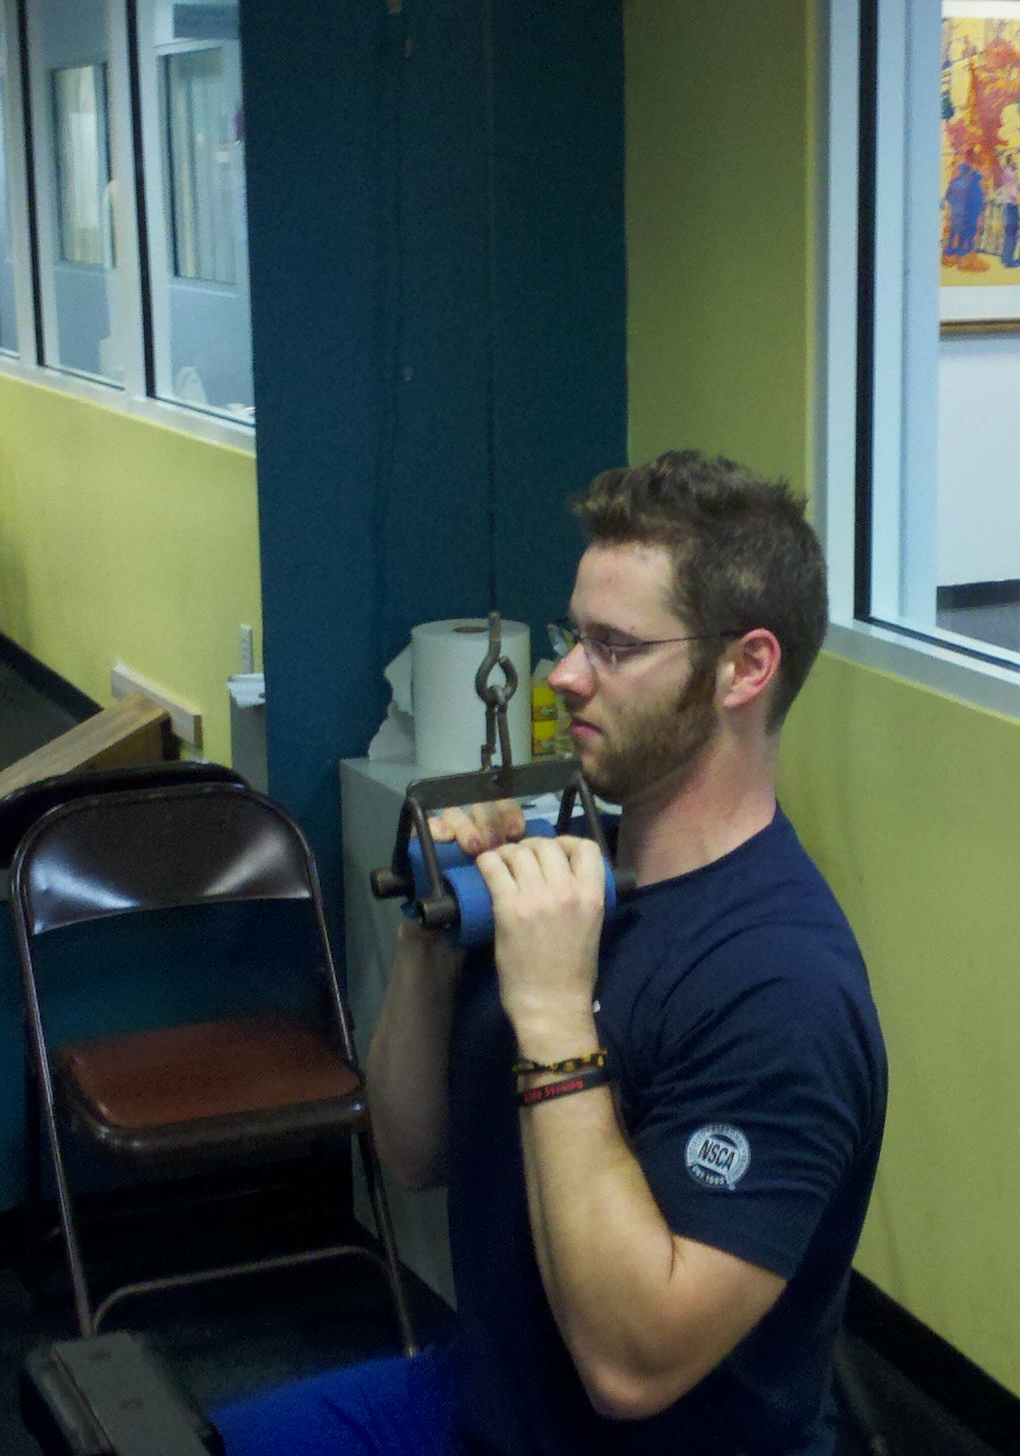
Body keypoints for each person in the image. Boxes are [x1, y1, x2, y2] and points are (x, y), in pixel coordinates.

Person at [210, 453, 888, 1455]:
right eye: (576, 635)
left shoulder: (781, 990)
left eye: (616, 646)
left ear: (746, 669)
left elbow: (630, 1370)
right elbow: (412, 1151)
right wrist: (431, 945)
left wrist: (557, 1016)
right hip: (484, 1399)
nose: (565, 674)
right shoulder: (565, 884)